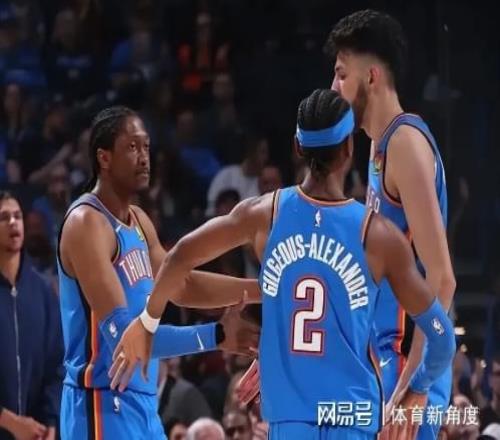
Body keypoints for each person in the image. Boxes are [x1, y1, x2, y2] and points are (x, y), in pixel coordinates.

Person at [112, 89, 455, 439]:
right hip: (353, 421)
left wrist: (148, 321)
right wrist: (418, 386)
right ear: (349, 150)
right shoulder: (378, 236)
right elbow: (442, 339)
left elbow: (178, 257)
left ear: (297, 147)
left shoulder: (264, 214)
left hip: (290, 423)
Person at [57, 106, 260, 439]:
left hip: (143, 404)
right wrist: (217, 335)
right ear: (104, 158)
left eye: (146, 147)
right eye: (132, 147)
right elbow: (128, 340)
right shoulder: (86, 223)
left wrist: (264, 288)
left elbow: (182, 285)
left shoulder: (139, 221)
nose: (144, 157)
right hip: (100, 403)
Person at [325, 9, 456, 439]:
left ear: (372, 77)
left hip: (408, 365)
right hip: (386, 359)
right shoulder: (379, 146)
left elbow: (441, 278)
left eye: (341, 74)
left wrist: (414, 387)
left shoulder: (405, 144)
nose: (333, 87)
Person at [0, 191, 63, 440]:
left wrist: (50, 422)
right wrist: (8, 421)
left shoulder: (43, 292)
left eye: (17, 216)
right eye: (4, 217)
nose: (13, 222)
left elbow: (57, 365)